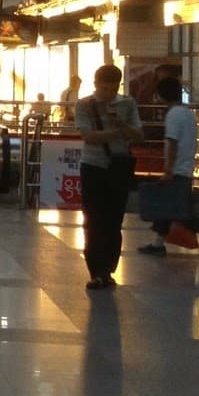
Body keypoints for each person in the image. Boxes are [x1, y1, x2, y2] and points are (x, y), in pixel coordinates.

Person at [140, 78, 199, 260]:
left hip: (177, 170)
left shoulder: (173, 115)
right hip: (186, 167)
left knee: (183, 211)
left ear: (162, 96)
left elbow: (172, 142)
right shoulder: (187, 114)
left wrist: (168, 170)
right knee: (170, 207)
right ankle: (157, 244)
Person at [73, 63, 140, 290]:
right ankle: (96, 271)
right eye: (104, 89)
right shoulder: (84, 105)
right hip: (92, 166)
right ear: (95, 85)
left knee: (114, 221)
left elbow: (139, 134)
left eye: (113, 89)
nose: (109, 94)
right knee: (93, 219)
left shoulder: (127, 104)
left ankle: (109, 269)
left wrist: (120, 124)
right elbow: (89, 137)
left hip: (119, 167)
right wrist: (120, 132)